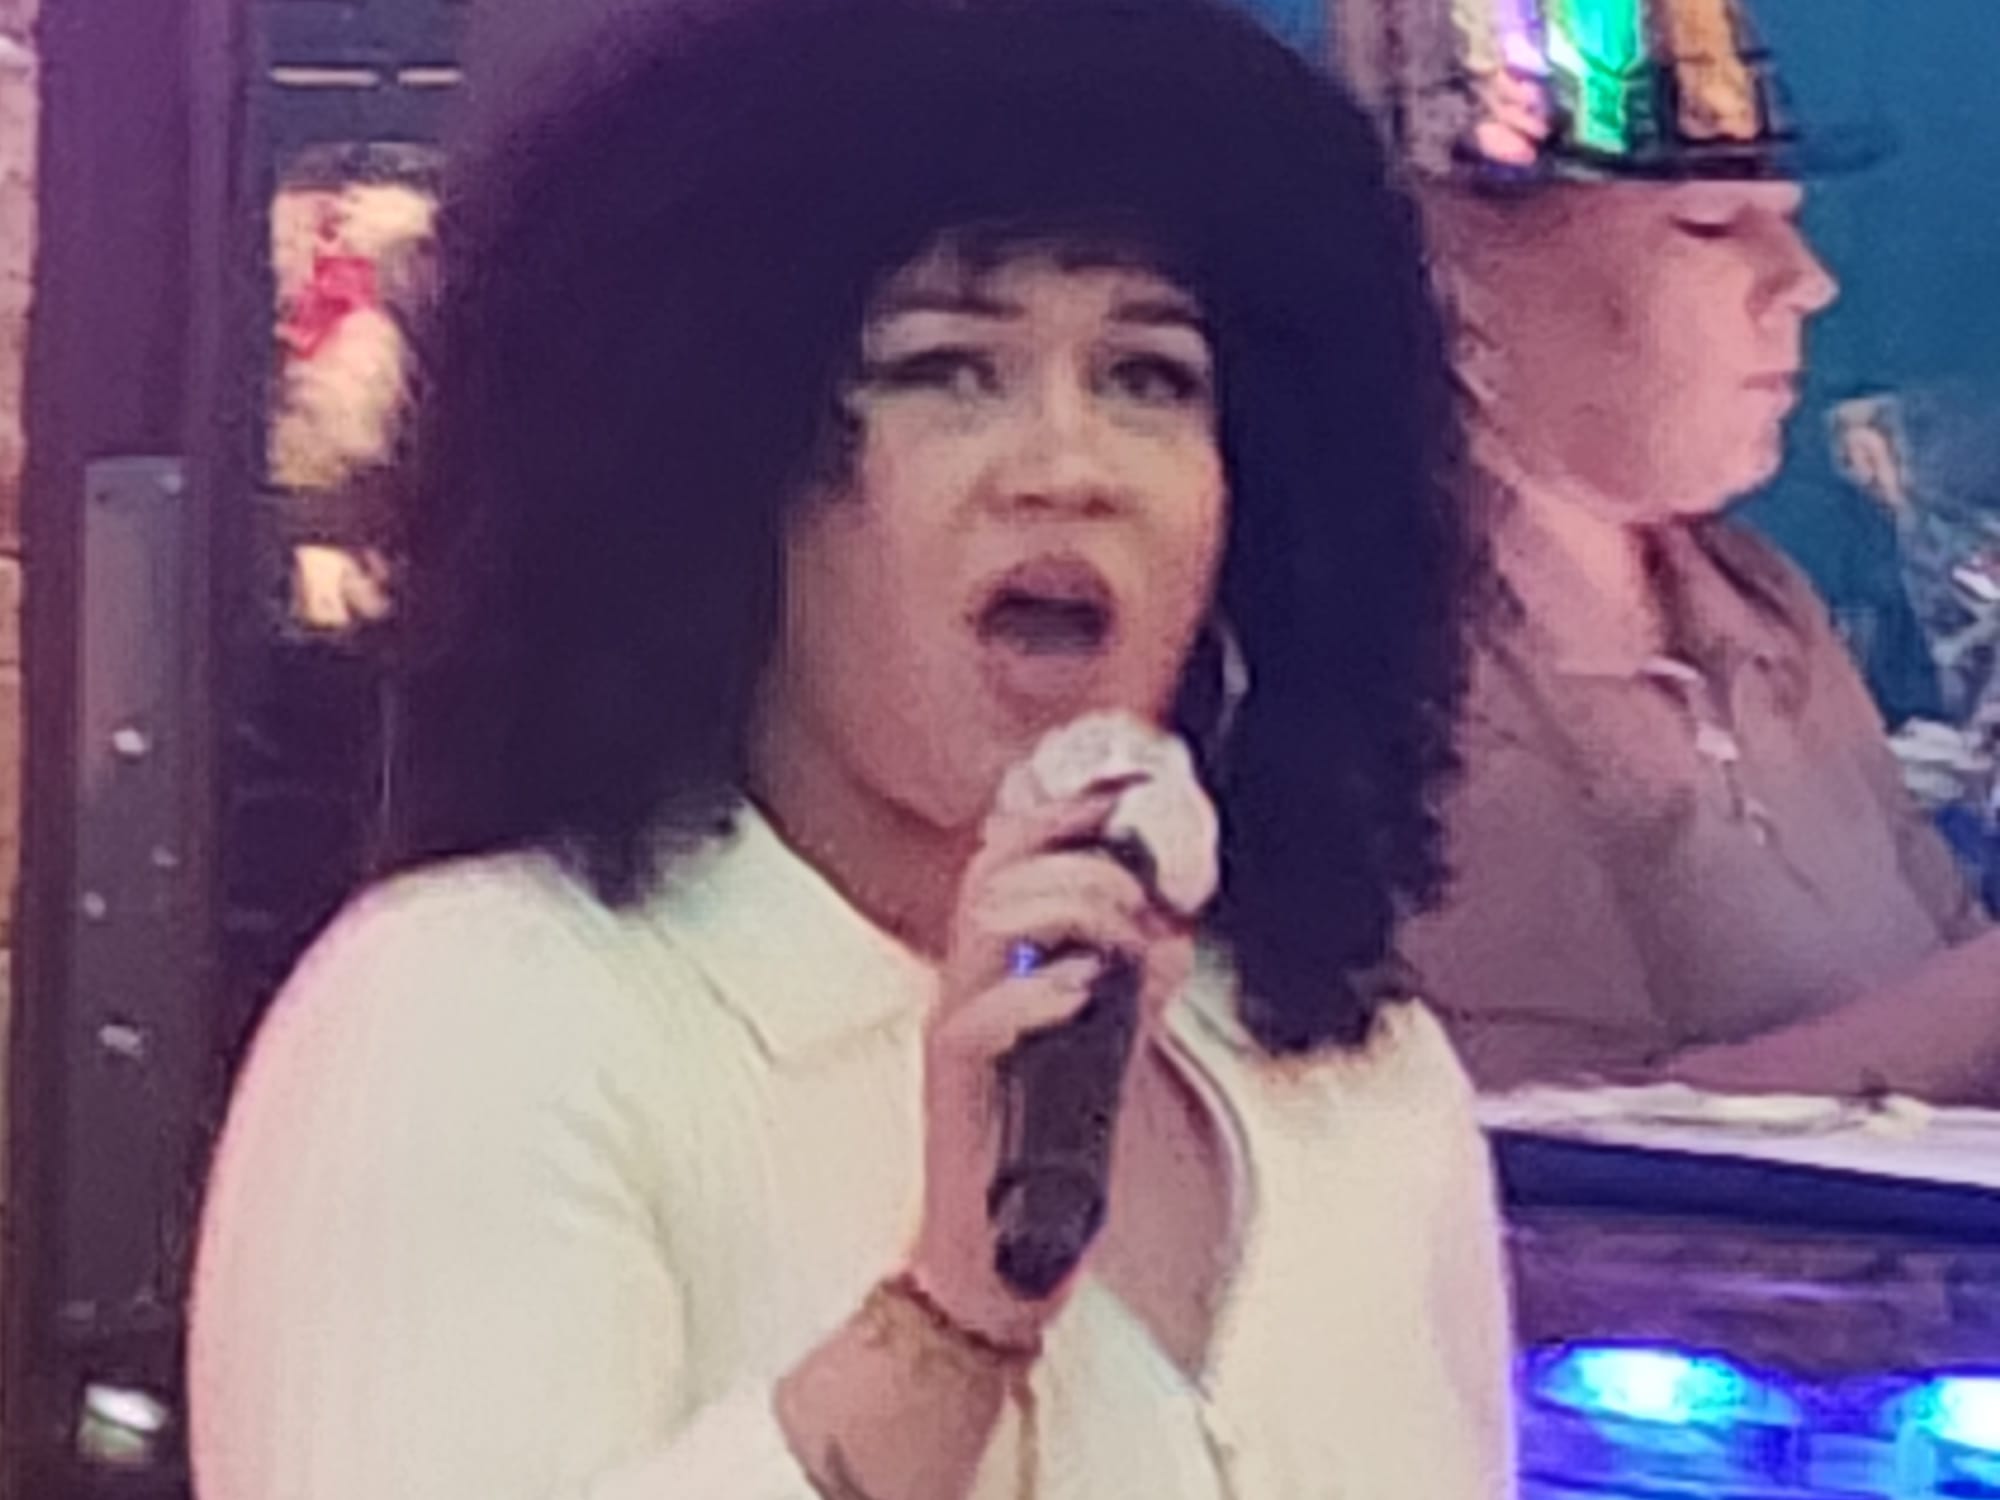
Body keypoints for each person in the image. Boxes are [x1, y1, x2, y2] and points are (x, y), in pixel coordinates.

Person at [187, 2, 1516, 1497]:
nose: (1067, 467)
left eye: (1148, 377)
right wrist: (955, 1316)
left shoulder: (1357, 1083)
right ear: (723, 464)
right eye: (949, 369)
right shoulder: (472, 1015)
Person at [1385, 0, 2000, 1100]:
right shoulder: (1404, 666)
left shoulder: (1761, 604)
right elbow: (1538, 1141)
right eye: (1711, 226)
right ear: (1457, 287)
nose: (1805, 280)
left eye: (1788, 218)